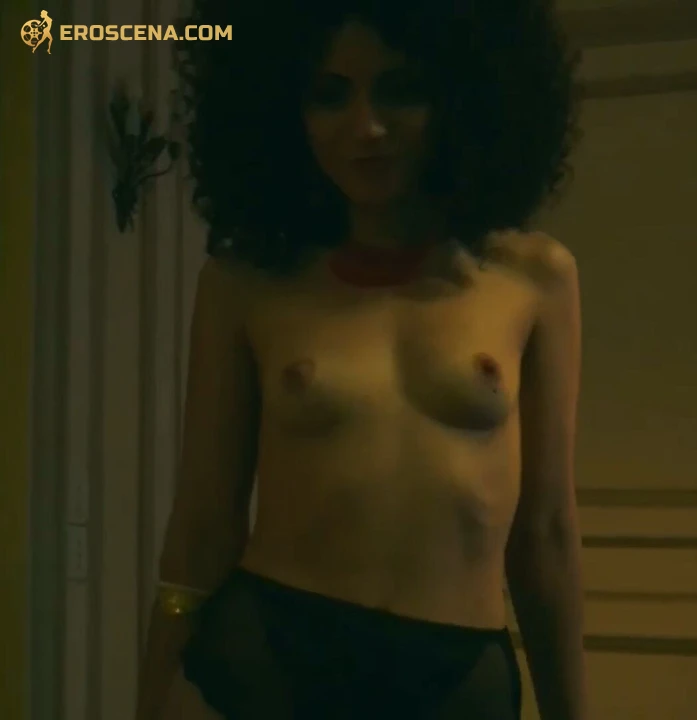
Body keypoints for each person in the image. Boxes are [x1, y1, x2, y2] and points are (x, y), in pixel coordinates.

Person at [135, 0, 585, 718]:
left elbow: (546, 535)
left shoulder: (534, 278)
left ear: (461, 96)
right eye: (329, 94)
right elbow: (202, 525)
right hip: (267, 657)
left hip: (456, 671)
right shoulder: (244, 283)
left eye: (401, 90)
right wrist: (150, 696)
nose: (366, 128)